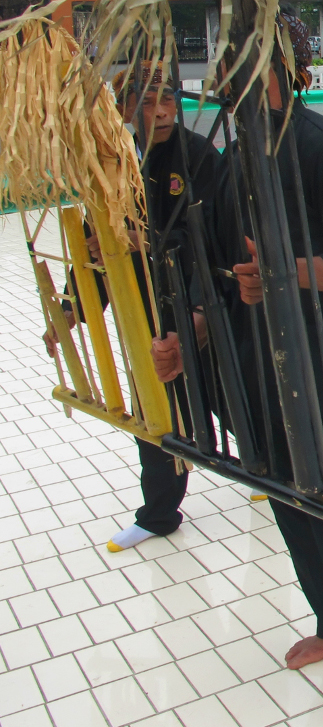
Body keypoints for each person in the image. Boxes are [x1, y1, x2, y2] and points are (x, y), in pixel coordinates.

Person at [151, 19, 323, 727]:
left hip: (319, 362)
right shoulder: (241, 154)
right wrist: (192, 330)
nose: (219, 79)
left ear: (270, 67)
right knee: (286, 498)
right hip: (256, 359)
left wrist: (286, 273)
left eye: (231, 63)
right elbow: (226, 271)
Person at [45, 64, 221, 553]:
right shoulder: (114, 164)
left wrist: (151, 243)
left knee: (234, 393)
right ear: (122, 109)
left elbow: (217, 233)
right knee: (154, 407)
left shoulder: (199, 156)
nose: (162, 111)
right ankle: (160, 512)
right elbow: (98, 249)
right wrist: (71, 311)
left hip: (202, 307)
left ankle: (270, 475)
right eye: (146, 103)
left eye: (168, 99)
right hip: (147, 311)